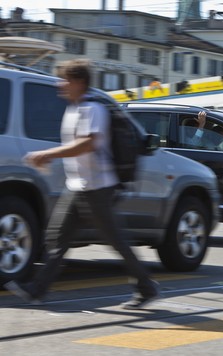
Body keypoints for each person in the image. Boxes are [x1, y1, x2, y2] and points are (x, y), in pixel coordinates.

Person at [4, 59, 160, 310]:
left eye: (64, 79)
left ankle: (146, 286)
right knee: (57, 238)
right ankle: (36, 289)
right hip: (77, 186)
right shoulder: (73, 109)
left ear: (79, 82)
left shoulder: (92, 109)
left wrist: (48, 154)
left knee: (116, 240)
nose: (60, 84)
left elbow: (87, 143)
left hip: (98, 187)